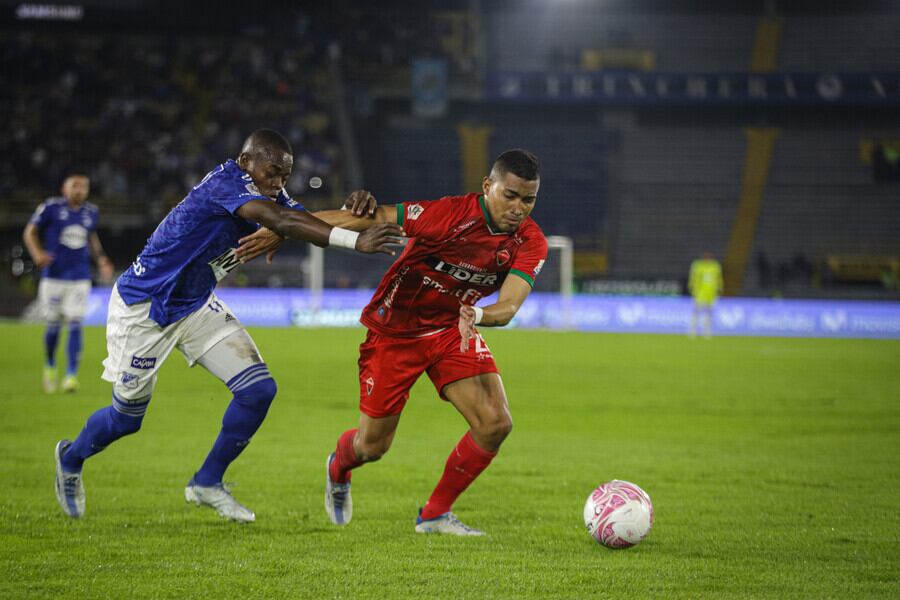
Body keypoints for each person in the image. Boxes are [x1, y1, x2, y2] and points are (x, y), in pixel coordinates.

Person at [53, 129, 403, 522]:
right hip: (146, 308)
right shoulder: (226, 183)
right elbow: (283, 221)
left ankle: (207, 481)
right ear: (245, 162)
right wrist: (355, 243)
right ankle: (71, 457)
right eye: (272, 174)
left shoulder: (267, 193)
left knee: (258, 391)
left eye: (284, 177)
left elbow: (303, 219)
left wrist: (359, 210)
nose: (277, 184)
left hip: (196, 305)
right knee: (125, 420)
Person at [239, 148, 547, 535]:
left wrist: (477, 315)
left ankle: (434, 515)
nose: (519, 208)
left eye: (528, 199)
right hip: (395, 333)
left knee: (495, 423)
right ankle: (339, 466)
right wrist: (283, 227)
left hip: (453, 329)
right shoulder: (448, 215)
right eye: (511, 195)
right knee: (372, 447)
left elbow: (508, 306)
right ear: (488, 186)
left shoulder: (530, 241)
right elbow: (367, 216)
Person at [23, 174, 115, 394]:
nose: (80, 190)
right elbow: (30, 232)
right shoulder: (51, 208)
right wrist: (37, 254)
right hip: (53, 276)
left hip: (80, 278)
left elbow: (90, 237)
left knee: (75, 324)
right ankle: (51, 365)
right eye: (75, 186)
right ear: (64, 188)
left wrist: (101, 259)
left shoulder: (91, 212)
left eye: (84, 186)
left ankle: (71, 375)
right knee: (54, 325)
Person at [688, 251, 723, 339]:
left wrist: (720, 288)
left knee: (709, 313)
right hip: (699, 292)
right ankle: (693, 331)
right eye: (705, 257)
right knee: (696, 312)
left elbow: (719, 278)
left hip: (711, 293)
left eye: (708, 257)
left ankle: (707, 332)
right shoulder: (697, 266)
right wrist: (692, 287)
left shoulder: (715, 266)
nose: (707, 259)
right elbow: (693, 277)